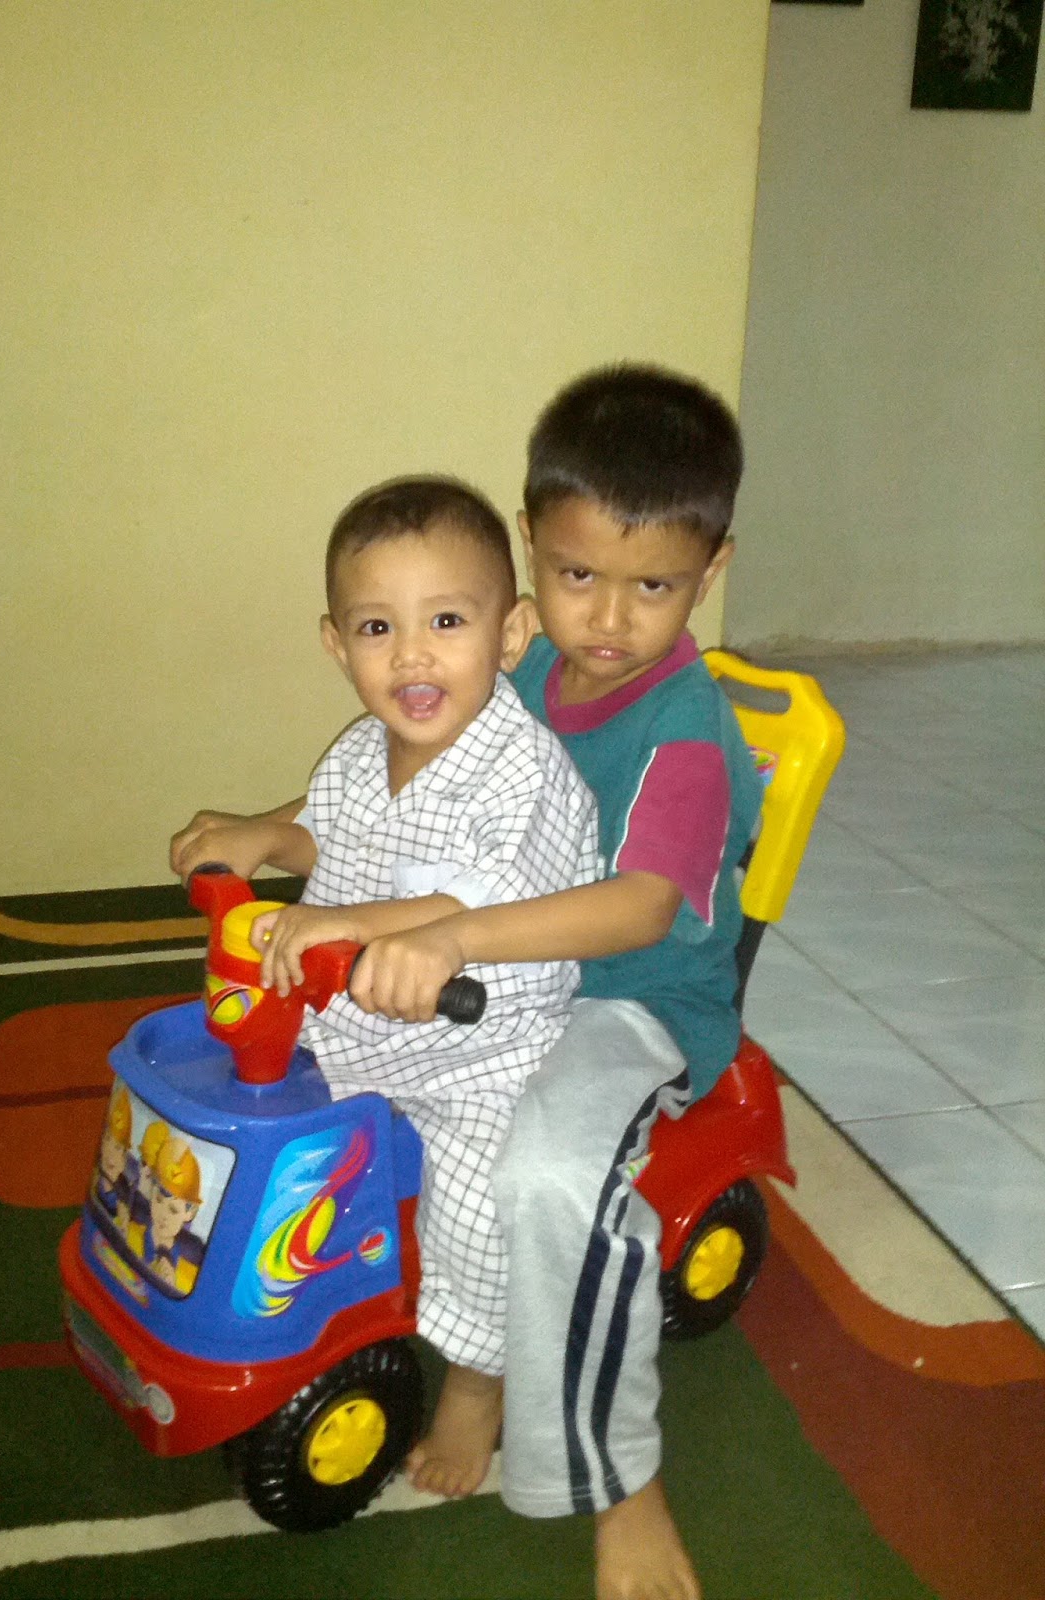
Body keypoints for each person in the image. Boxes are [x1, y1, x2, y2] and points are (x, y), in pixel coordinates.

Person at [171, 367, 762, 1600]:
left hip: (625, 997)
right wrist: (274, 832)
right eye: (578, 573)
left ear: (710, 571)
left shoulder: (686, 737)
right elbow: (390, 797)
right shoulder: (517, 663)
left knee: (543, 1178)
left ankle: (618, 1479)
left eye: (653, 586)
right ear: (531, 558)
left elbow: (639, 907)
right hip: (481, 980)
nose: (608, 618)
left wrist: (451, 938)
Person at [175, 476, 600, 1426]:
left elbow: (490, 896)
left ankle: (479, 1377)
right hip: (347, 1020)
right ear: (338, 645)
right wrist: (264, 836)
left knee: (477, 1206)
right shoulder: (363, 753)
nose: (412, 652)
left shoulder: (522, 770)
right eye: (377, 628)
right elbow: (326, 837)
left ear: (512, 633)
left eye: (446, 620)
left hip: (484, 1051)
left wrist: (356, 926)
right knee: (234, 1100)